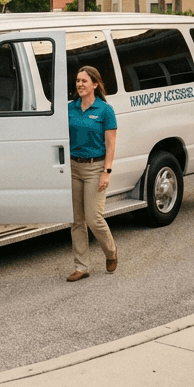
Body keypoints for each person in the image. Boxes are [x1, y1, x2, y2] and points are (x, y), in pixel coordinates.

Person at [66, 65, 118, 282]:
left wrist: (106, 171)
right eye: (78, 80)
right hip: (72, 167)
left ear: (95, 84)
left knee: (93, 218)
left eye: (84, 81)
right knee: (76, 221)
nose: (79, 84)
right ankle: (82, 266)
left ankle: (111, 251)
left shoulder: (105, 110)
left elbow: (111, 143)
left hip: (95, 167)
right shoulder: (70, 108)